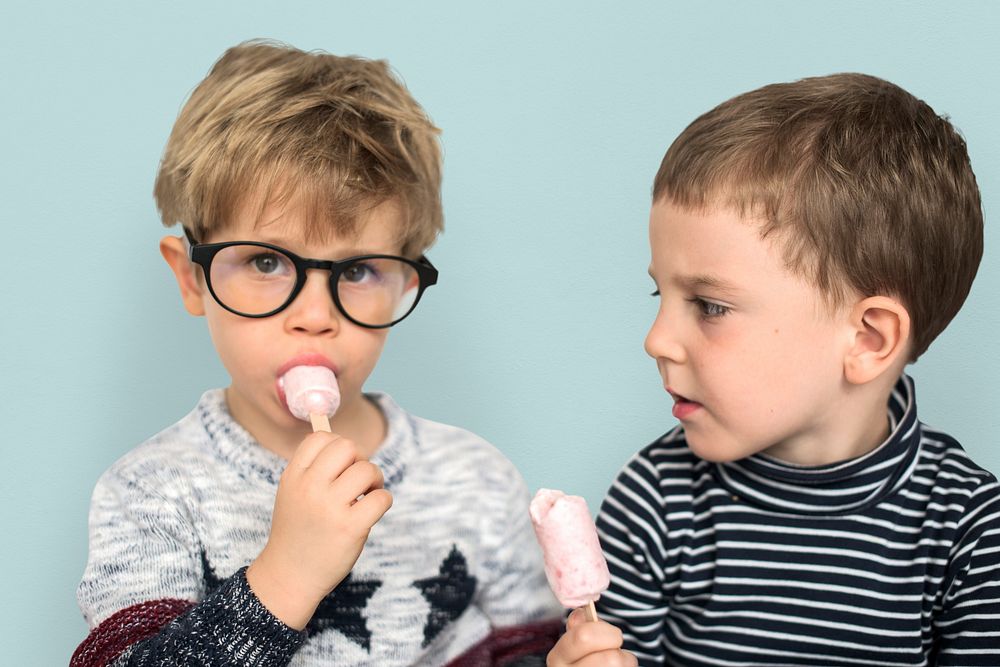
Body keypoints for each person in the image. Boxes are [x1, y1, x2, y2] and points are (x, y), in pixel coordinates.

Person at [73, 40, 560, 667]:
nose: (315, 317)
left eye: (358, 270)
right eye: (268, 262)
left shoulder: (476, 480)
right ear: (192, 279)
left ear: (404, 283)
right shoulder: (153, 494)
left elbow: (525, 651)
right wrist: (285, 578)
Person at [547, 73, 1000, 666]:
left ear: (867, 339)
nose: (656, 339)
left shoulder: (970, 533)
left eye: (710, 306)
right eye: (658, 296)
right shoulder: (654, 499)